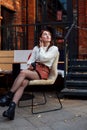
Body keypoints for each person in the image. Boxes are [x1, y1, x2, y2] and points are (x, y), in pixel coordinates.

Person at [0, 26, 59, 120]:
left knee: (23, 72)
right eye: (45, 34)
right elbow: (30, 60)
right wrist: (31, 65)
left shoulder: (54, 49)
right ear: (40, 38)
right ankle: (11, 109)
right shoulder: (36, 48)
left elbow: (44, 58)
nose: (48, 36)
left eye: (49, 34)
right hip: (34, 70)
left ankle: (8, 96)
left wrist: (42, 48)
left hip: (43, 72)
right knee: (23, 83)